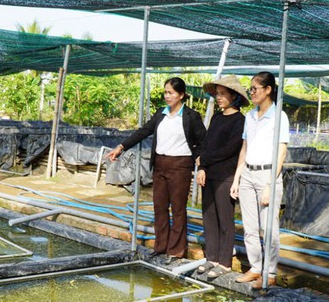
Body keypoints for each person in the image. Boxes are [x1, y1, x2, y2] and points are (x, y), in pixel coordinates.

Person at [106, 77, 206, 263]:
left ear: (181, 95)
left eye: (171, 93)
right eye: (165, 92)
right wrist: (121, 147)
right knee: (160, 207)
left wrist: (201, 164)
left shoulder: (192, 116)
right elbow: (143, 131)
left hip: (180, 166)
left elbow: (202, 142)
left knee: (177, 209)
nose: (167, 96)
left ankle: (176, 251)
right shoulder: (161, 114)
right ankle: (161, 246)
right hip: (160, 164)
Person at [230, 71, 289, 289]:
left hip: (267, 174)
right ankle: (255, 268)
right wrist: (237, 178)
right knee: (250, 226)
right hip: (248, 173)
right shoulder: (249, 117)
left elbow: (281, 153)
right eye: (251, 89)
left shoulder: (279, 117)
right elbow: (244, 149)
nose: (251, 92)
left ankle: (269, 272)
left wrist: (269, 186)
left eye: (255, 88)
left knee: (269, 227)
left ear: (268, 90)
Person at [195, 75, 248, 279]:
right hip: (208, 174)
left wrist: (204, 158)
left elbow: (230, 149)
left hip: (226, 175)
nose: (219, 98)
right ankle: (212, 258)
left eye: (223, 94)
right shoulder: (216, 118)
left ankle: (225, 262)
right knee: (209, 217)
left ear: (234, 96)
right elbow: (207, 143)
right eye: (217, 94)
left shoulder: (240, 121)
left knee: (225, 219)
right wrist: (202, 168)